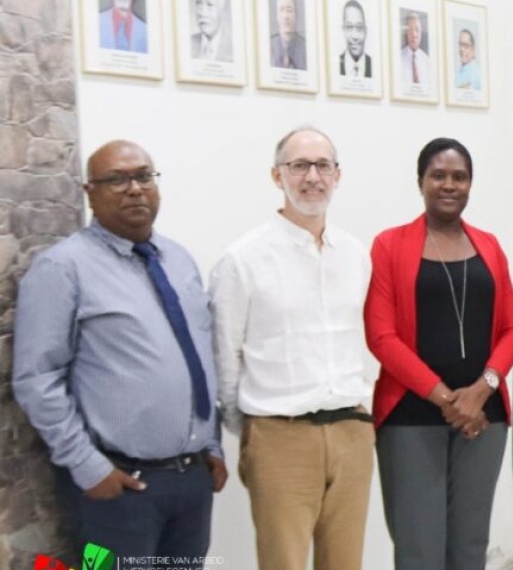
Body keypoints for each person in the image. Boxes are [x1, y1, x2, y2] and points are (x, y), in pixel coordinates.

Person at [12, 141, 226, 567]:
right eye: (117, 179)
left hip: (191, 482)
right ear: (89, 192)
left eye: (144, 176)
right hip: (117, 488)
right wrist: (88, 466)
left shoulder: (179, 261)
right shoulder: (63, 268)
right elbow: (37, 379)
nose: (134, 189)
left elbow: (199, 360)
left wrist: (213, 446)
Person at [210, 128, 374, 570]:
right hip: (280, 437)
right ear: (276, 175)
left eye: (322, 165)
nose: (312, 177)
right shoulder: (243, 260)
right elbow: (225, 359)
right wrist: (250, 433)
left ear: (338, 175)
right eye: (298, 165)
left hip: (352, 434)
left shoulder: (355, 254)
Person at [365, 138, 513, 570]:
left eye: (459, 176)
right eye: (439, 175)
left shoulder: (489, 245)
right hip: (410, 417)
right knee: (419, 548)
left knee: (470, 546)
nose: (449, 184)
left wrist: (480, 391)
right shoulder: (389, 245)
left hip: (484, 420)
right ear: (421, 181)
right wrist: (448, 399)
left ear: (470, 184)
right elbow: (381, 337)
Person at [270, 0, 307, 70]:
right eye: (281, 10)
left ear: (296, 15)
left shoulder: (306, 48)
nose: (285, 16)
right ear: (276, 15)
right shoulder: (269, 46)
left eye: (289, 10)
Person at [339, 0, 371, 77]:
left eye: (359, 27)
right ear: (343, 30)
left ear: (365, 31)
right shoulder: (336, 65)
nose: (355, 36)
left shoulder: (375, 66)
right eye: (349, 27)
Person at [399, 11, 431, 85]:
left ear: (421, 33)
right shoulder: (398, 58)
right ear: (406, 33)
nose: (414, 34)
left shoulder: (427, 61)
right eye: (410, 30)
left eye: (417, 30)